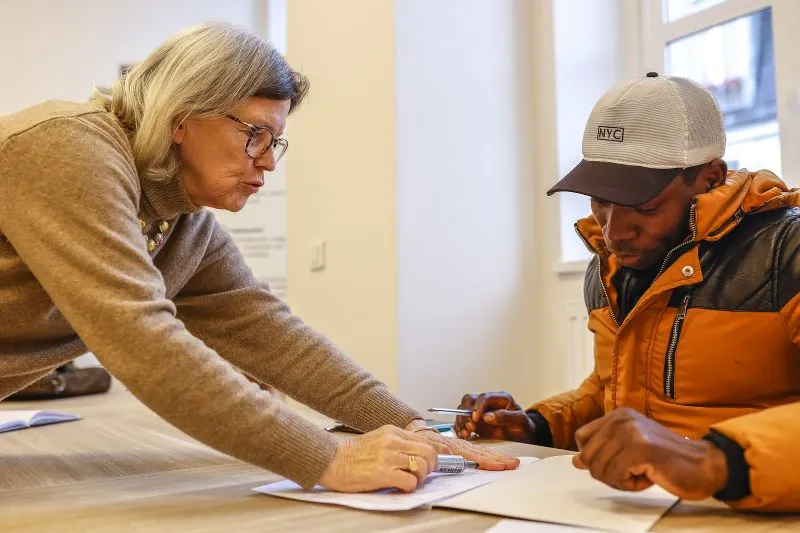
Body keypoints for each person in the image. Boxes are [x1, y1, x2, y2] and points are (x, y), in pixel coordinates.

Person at [0, 21, 518, 493]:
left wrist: (409, 424)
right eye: (255, 135)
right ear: (182, 117)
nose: (268, 162)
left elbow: (266, 331)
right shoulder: (67, 147)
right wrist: (329, 459)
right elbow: (139, 336)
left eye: (276, 141)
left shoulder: (181, 219)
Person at [454, 73, 800, 511]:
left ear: (711, 177)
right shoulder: (610, 267)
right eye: (599, 201)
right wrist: (537, 426)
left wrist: (712, 460)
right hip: (637, 512)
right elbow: (612, 391)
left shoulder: (788, 254)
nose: (614, 230)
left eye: (644, 206)